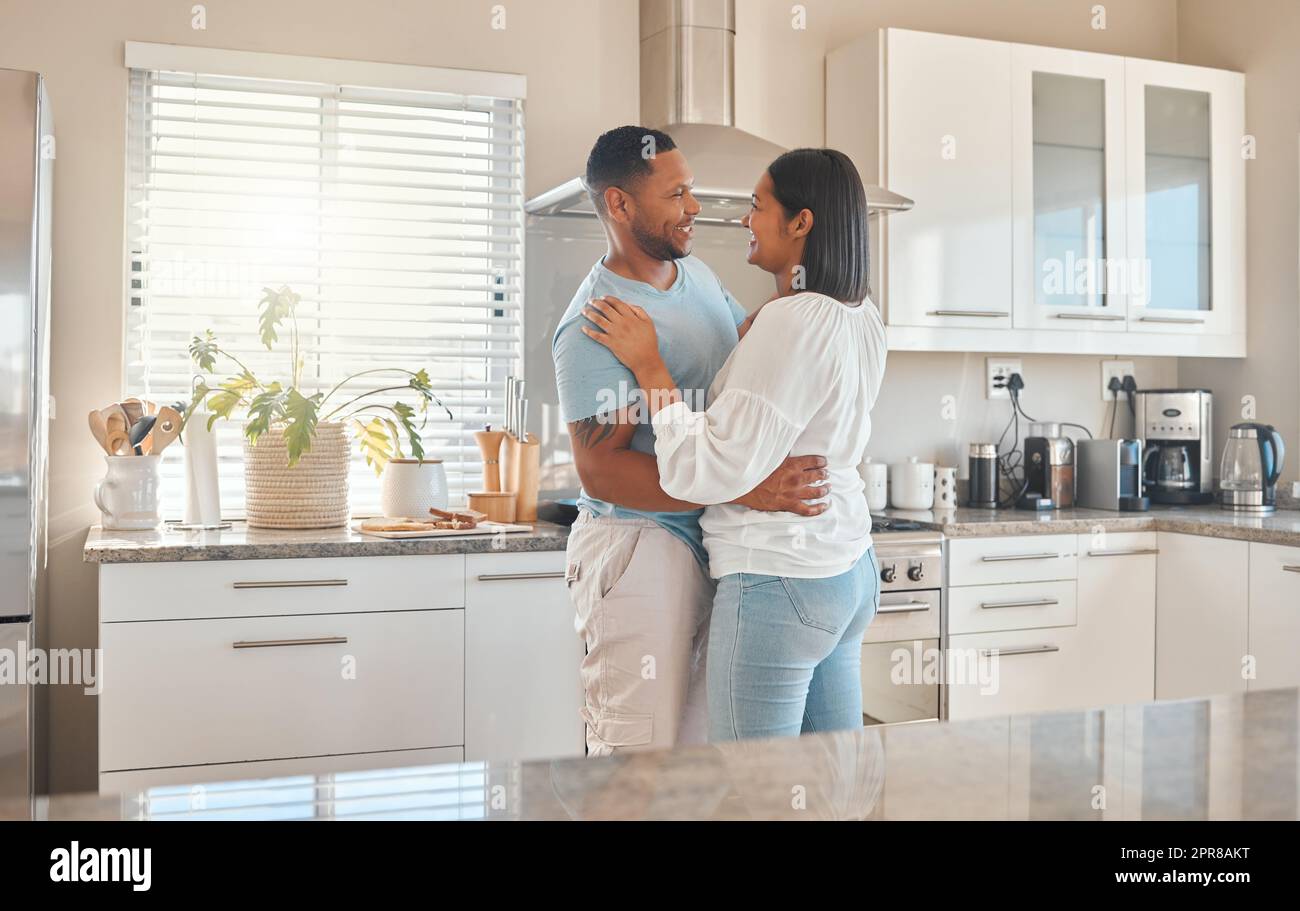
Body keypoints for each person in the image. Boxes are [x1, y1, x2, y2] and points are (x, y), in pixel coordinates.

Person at [580, 148, 888, 741]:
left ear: (801, 222)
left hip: (779, 581)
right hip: (847, 573)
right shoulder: (859, 315)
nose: (744, 219)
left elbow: (700, 471)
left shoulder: (791, 321)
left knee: (753, 792)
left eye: (757, 206)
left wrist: (650, 368)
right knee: (829, 785)